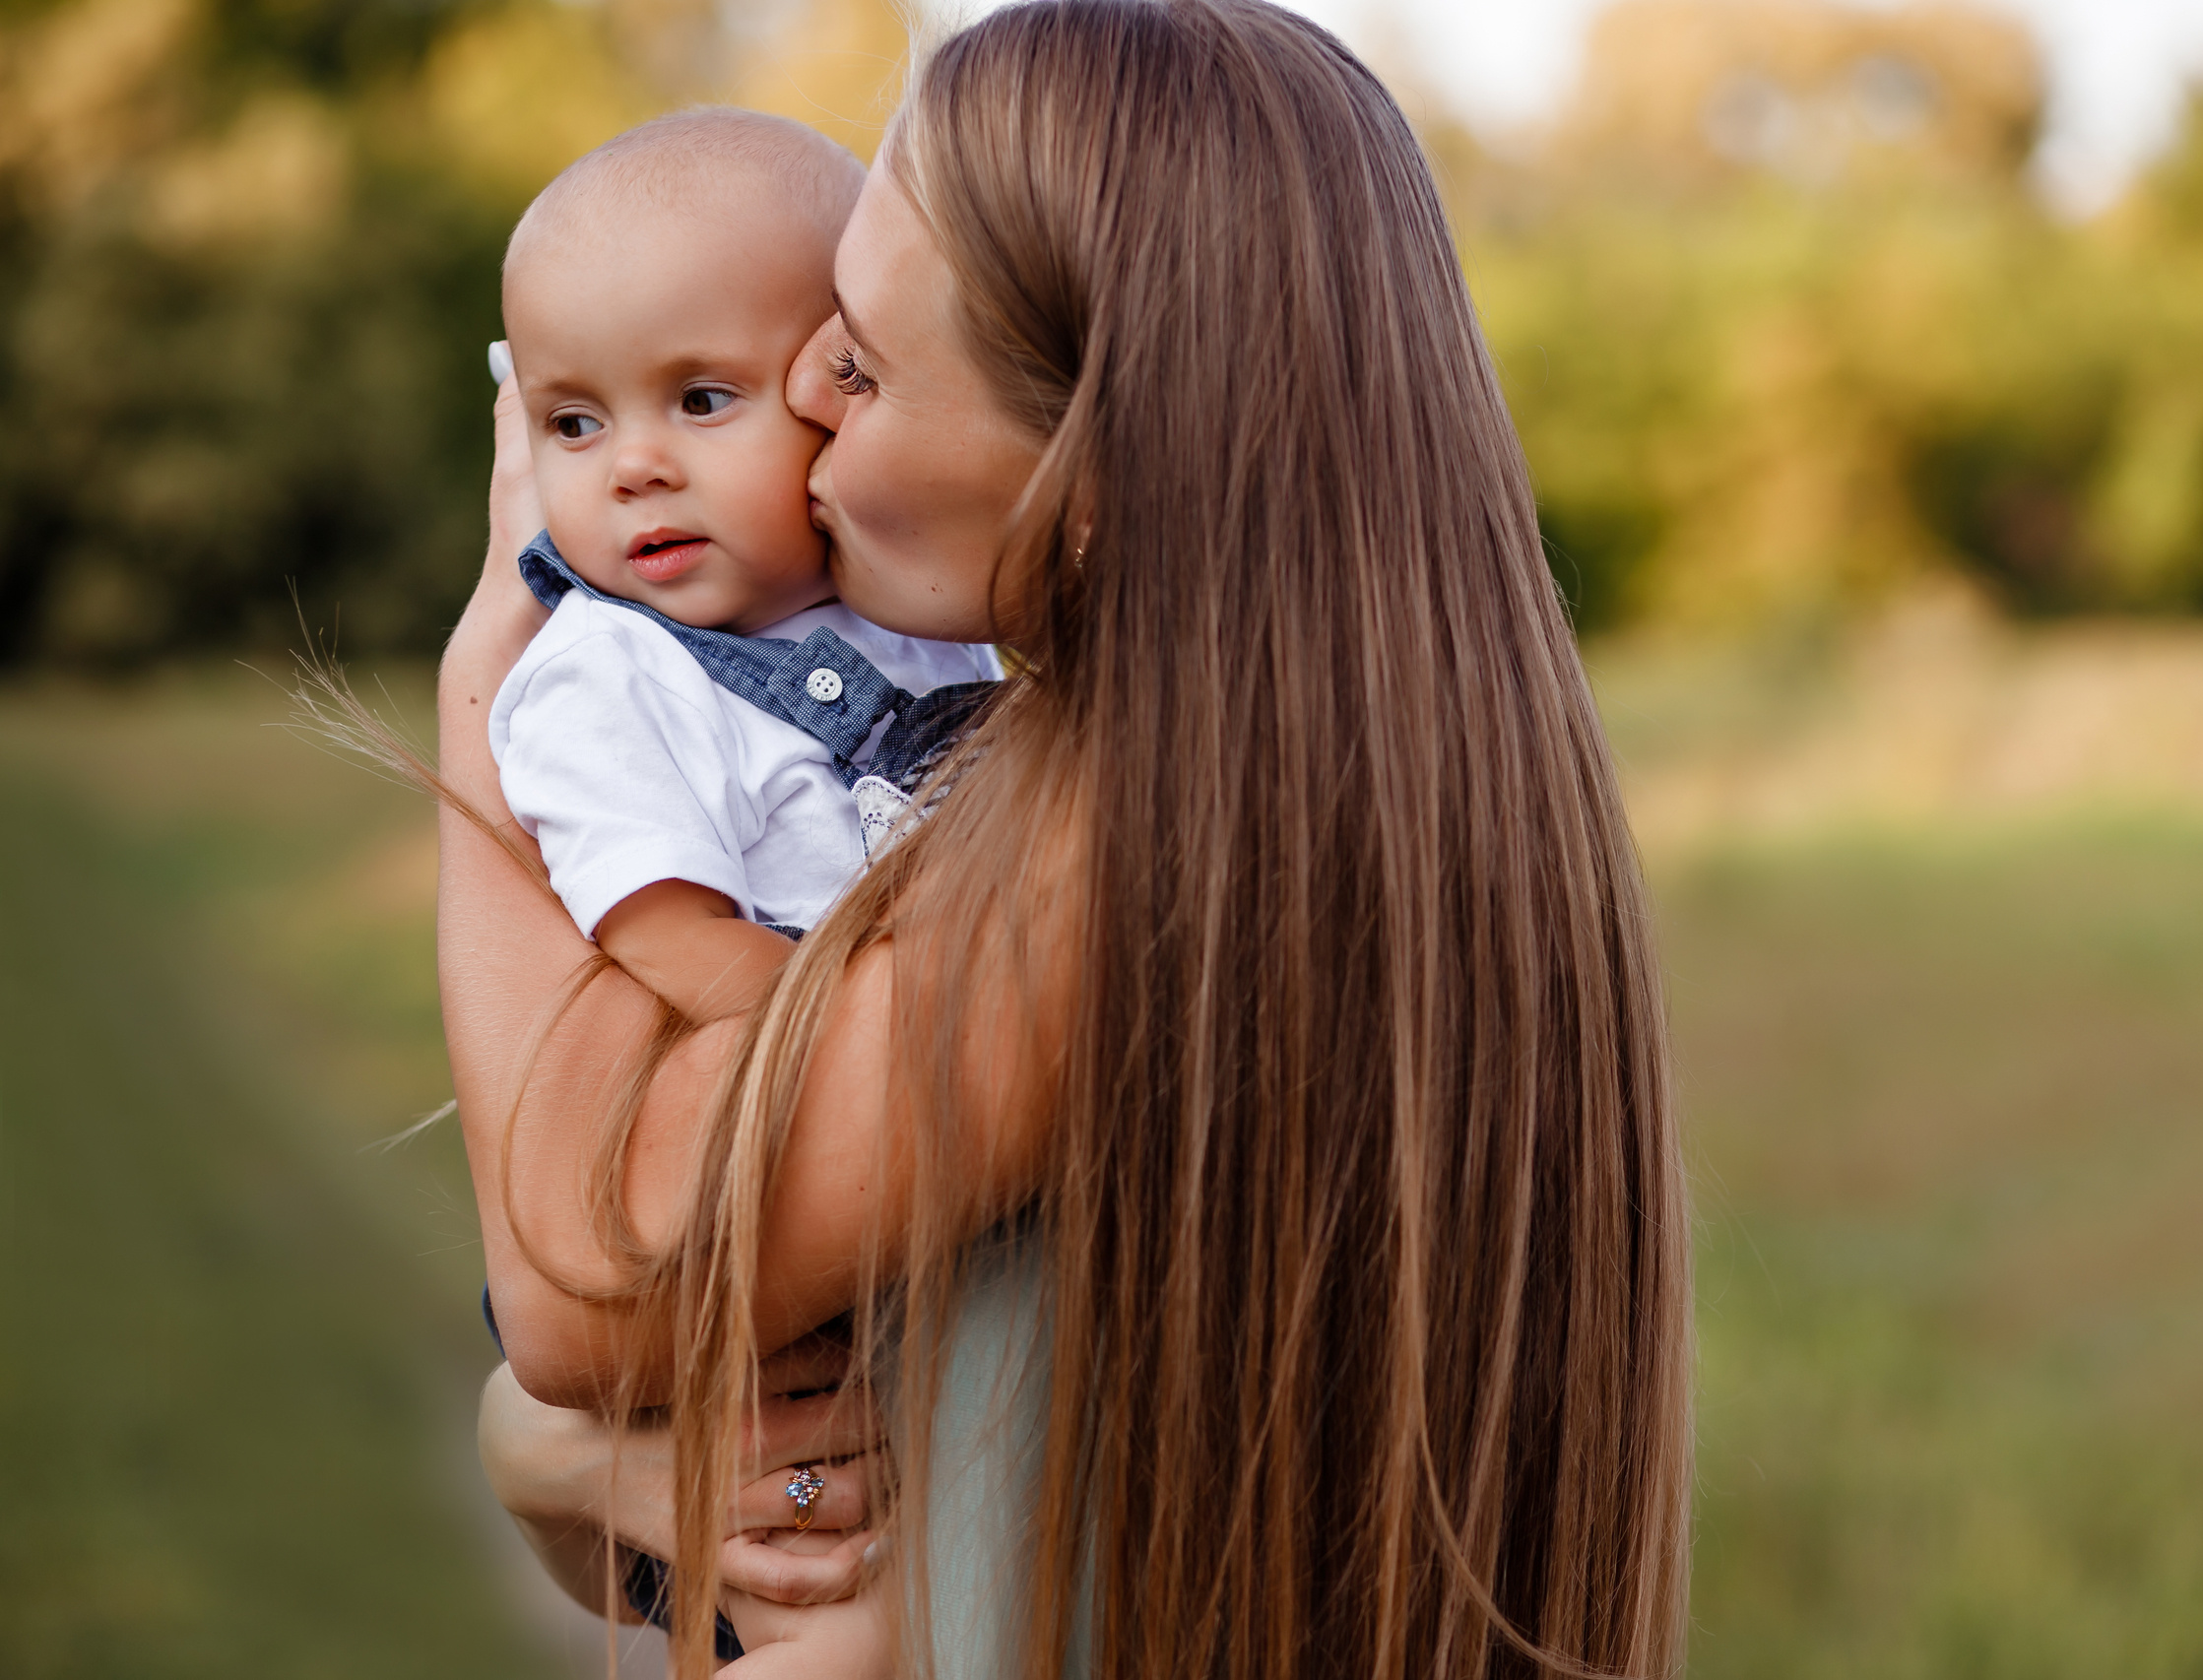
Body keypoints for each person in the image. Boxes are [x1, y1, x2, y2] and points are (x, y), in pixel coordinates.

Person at [447, 3, 1693, 1676]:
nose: (806, 388)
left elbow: (586, 1289)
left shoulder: (1133, 855)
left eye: (866, 363)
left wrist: (496, 690)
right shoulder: (1358, 772)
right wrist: (548, 1455)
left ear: (1090, 478)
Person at [488, 106, 1000, 1031]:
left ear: (840, 380)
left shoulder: (925, 601)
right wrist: (871, 1048)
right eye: (573, 422)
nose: (631, 466)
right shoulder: (607, 676)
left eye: (701, 399)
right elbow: (671, 939)